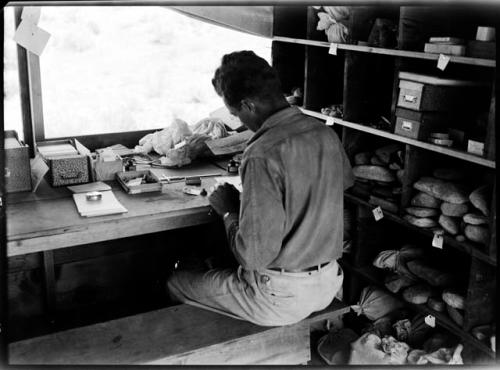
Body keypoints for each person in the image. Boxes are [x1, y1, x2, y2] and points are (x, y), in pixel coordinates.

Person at [166, 50, 354, 326]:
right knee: (214, 264)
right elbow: (336, 186)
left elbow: (252, 256)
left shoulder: (262, 152)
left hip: (279, 297)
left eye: (236, 114)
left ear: (249, 105)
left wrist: (228, 210)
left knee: (177, 281)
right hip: (329, 282)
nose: (240, 123)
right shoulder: (323, 133)